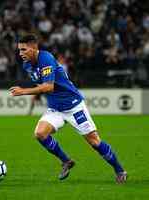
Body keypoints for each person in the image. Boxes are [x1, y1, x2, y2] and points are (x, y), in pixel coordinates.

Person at [9, 34, 127, 183]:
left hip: (73, 106)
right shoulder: (27, 65)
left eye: (24, 50)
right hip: (55, 108)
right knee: (40, 134)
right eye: (19, 50)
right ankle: (66, 161)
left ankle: (120, 170)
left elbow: (49, 86)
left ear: (34, 47)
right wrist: (36, 93)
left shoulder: (46, 59)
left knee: (94, 142)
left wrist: (23, 91)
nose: (20, 53)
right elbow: (42, 86)